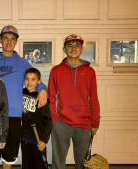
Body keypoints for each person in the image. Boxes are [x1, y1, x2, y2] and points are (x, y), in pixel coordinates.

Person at [0, 25, 48, 169]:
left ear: (16, 42)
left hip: (14, 116)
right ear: (1, 40)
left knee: (9, 155)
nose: (9, 42)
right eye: (6, 38)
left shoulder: (23, 63)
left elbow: (37, 80)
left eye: (12, 39)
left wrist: (43, 90)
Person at [48, 34, 100, 169]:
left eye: (77, 46)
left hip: (83, 124)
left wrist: (95, 122)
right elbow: (51, 97)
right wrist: (54, 119)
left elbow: (94, 98)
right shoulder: (56, 70)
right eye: (70, 46)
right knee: (58, 161)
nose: (73, 48)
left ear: (82, 49)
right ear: (64, 49)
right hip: (61, 122)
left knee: (82, 163)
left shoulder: (89, 72)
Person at [21, 68, 52, 169]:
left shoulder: (42, 97)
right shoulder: (20, 92)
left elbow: (48, 121)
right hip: (24, 137)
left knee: (39, 165)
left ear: (39, 81)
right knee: (26, 164)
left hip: (38, 139)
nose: (29, 82)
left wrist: (44, 140)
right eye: (27, 79)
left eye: (33, 79)